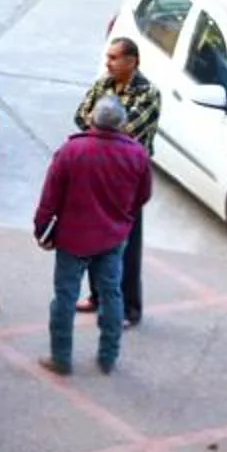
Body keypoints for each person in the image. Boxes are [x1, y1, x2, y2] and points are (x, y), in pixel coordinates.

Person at [33, 96, 151, 377]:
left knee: (64, 297)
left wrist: (42, 229)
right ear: (122, 123)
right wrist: (122, 217)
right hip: (112, 237)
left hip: (72, 239)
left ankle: (61, 358)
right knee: (112, 295)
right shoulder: (137, 154)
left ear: (92, 120)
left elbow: (49, 198)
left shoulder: (72, 151)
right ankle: (108, 357)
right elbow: (143, 195)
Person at [72, 37, 159, 326]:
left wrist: (100, 125)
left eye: (114, 58)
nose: (108, 63)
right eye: (107, 57)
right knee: (96, 236)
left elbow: (127, 130)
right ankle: (98, 296)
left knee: (127, 245)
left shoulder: (148, 93)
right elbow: (80, 116)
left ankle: (128, 309)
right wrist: (104, 125)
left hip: (126, 180)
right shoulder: (102, 85)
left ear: (132, 61)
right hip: (98, 174)